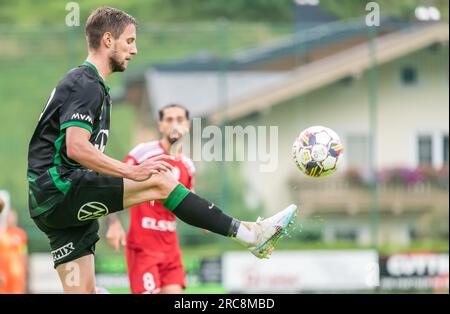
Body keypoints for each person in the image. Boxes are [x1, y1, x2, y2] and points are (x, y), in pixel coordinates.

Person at [27, 7, 298, 294]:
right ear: (108, 40)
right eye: (129, 41)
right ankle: (250, 235)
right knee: (159, 181)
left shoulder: (96, 89)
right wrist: (132, 171)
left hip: (53, 204)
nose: (135, 49)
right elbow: (77, 147)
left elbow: (79, 152)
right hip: (59, 188)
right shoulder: (86, 83)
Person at [107, 104, 195, 294]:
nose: (175, 125)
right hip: (143, 248)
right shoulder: (143, 154)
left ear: (187, 124)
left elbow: (191, 205)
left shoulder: (188, 166)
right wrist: (113, 223)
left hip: (171, 250)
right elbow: (114, 186)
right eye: (169, 120)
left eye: (180, 120)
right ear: (161, 125)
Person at [0, 210, 28, 294]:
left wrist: (25, 271)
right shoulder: (2, 235)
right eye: (9, 217)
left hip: (17, 273)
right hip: (4, 274)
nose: (11, 219)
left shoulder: (21, 234)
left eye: (13, 217)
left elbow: (23, 253)